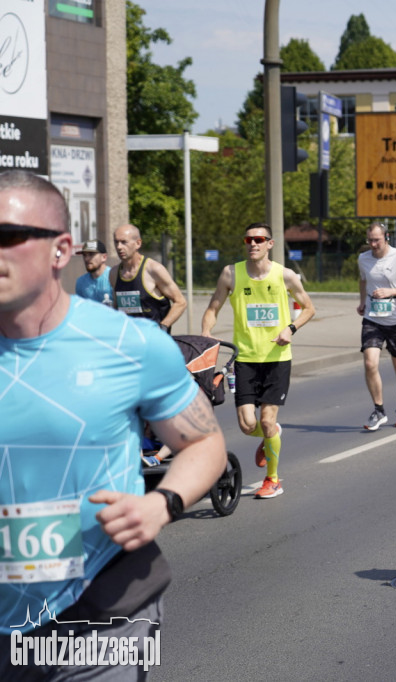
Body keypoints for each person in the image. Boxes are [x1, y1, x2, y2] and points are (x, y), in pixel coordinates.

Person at [0, 170, 226, 675]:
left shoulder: (132, 344)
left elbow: (204, 443)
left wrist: (161, 503)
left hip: (101, 606)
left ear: (60, 249)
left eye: (7, 236)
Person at [201, 222, 316, 499]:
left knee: (266, 420)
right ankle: (271, 435)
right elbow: (213, 307)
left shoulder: (285, 275)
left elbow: (309, 308)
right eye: (249, 240)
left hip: (277, 358)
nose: (253, 244)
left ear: (270, 244)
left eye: (259, 239)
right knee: (247, 424)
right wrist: (206, 334)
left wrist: (291, 328)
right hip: (245, 359)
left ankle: (273, 479)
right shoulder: (231, 274)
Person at [358, 222, 396, 430]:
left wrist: (390, 292)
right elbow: (363, 280)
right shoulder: (363, 258)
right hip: (373, 318)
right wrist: (362, 302)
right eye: (370, 240)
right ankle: (378, 409)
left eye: (377, 239)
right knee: (370, 363)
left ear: (386, 237)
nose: (373, 244)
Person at [110, 223, 186, 331]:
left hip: (153, 342)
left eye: (124, 242)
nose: (119, 247)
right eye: (116, 242)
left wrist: (162, 327)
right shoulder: (114, 273)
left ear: (138, 243)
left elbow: (180, 302)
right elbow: (117, 307)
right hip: (130, 341)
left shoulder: (154, 270)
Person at [74, 238, 114, 306]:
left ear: (104, 257)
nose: (86, 259)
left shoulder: (113, 277)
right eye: (84, 255)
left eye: (91, 254)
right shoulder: (80, 282)